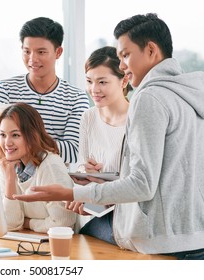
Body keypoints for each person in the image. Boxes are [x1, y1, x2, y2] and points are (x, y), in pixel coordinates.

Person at [14, 13, 204, 259]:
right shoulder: (189, 95)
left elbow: (142, 185)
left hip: (160, 242)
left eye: (125, 55)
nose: (123, 65)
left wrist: (69, 193)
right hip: (195, 238)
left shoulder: (149, 98)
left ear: (150, 50)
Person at [0, 17, 89, 164]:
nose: (32, 59)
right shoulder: (4, 90)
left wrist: (19, 143)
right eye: (27, 51)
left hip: (54, 182)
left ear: (58, 52)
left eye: (41, 52)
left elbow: (73, 152)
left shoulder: (76, 98)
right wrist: (47, 146)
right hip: (11, 181)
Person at [73, 46, 131, 237]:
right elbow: (82, 164)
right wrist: (86, 171)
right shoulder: (88, 117)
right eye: (89, 81)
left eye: (102, 82)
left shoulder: (136, 120)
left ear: (124, 80)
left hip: (127, 215)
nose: (94, 89)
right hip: (97, 209)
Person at [0, 102, 76, 233]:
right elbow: (11, 225)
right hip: (26, 241)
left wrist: (28, 223)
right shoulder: (6, 166)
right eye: (3, 135)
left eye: (15, 135)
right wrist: (10, 180)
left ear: (32, 135)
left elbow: (63, 223)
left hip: (57, 244)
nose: (7, 143)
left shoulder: (50, 166)